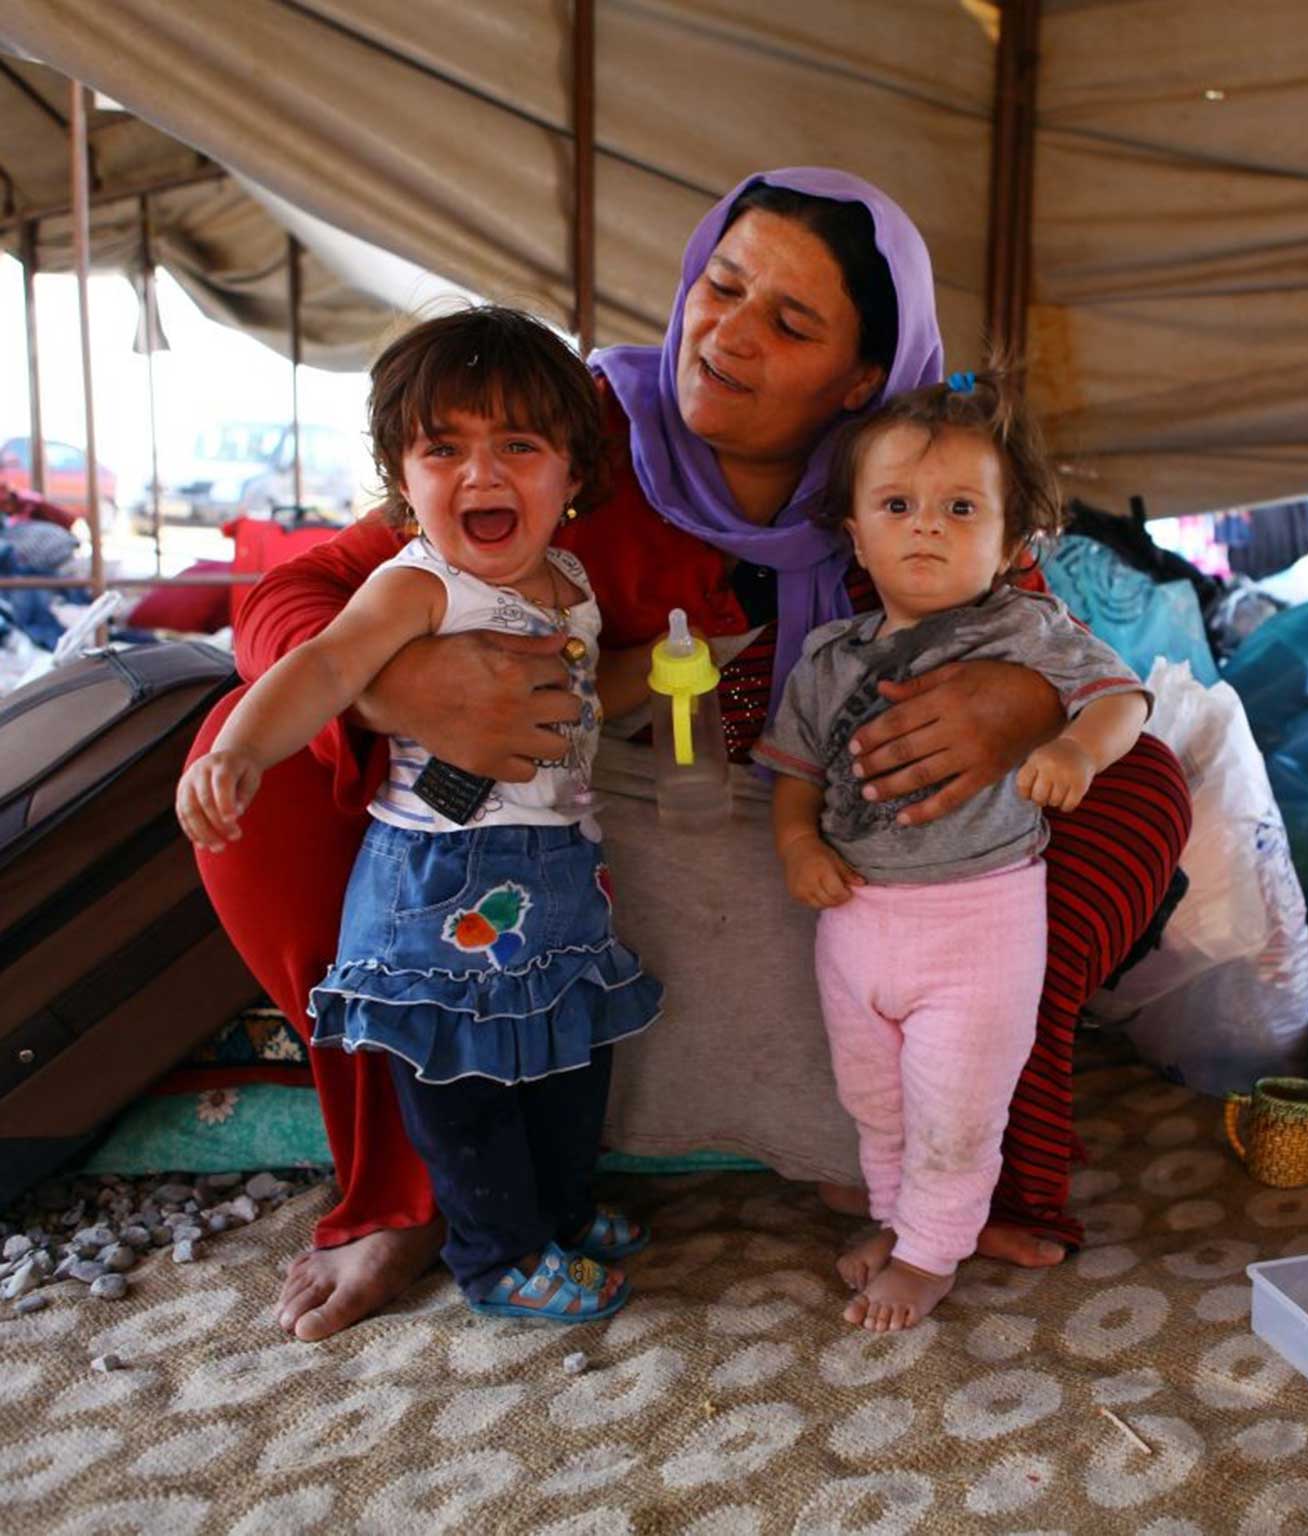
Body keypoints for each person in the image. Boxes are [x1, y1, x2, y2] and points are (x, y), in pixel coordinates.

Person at [188, 167, 1191, 1341]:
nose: (729, 334)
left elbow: (1060, 651)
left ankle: (956, 1166)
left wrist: (1019, 701)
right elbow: (302, 590)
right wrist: (398, 687)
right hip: (587, 815)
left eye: (791, 322)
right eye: (721, 286)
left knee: (1140, 791)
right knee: (252, 763)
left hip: (836, 841)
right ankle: (412, 1190)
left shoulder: (911, 477)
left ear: (863, 378)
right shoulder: (564, 437)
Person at [177, 307, 662, 1321]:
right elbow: (321, 664)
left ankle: (561, 1214)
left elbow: (581, 701)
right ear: (404, 481)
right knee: (469, 1087)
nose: (481, 475)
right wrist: (239, 749)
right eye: (445, 449)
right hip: (442, 888)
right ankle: (497, 1259)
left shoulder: (568, 582)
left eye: (517, 446)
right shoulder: (415, 586)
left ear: (573, 475)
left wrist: (660, 670)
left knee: (563, 1065)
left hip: (558, 870)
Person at [759, 372, 1150, 1330]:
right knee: (876, 1102)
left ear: (1011, 542)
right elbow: (793, 774)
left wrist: (1072, 747)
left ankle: (931, 1258)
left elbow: (1124, 701)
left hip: (978, 922)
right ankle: (900, 1223)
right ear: (855, 532)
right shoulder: (826, 659)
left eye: (959, 508)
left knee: (956, 1108)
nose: (926, 527)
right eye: (897, 505)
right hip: (855, 924)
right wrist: (796, 845)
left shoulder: (1027, 631)